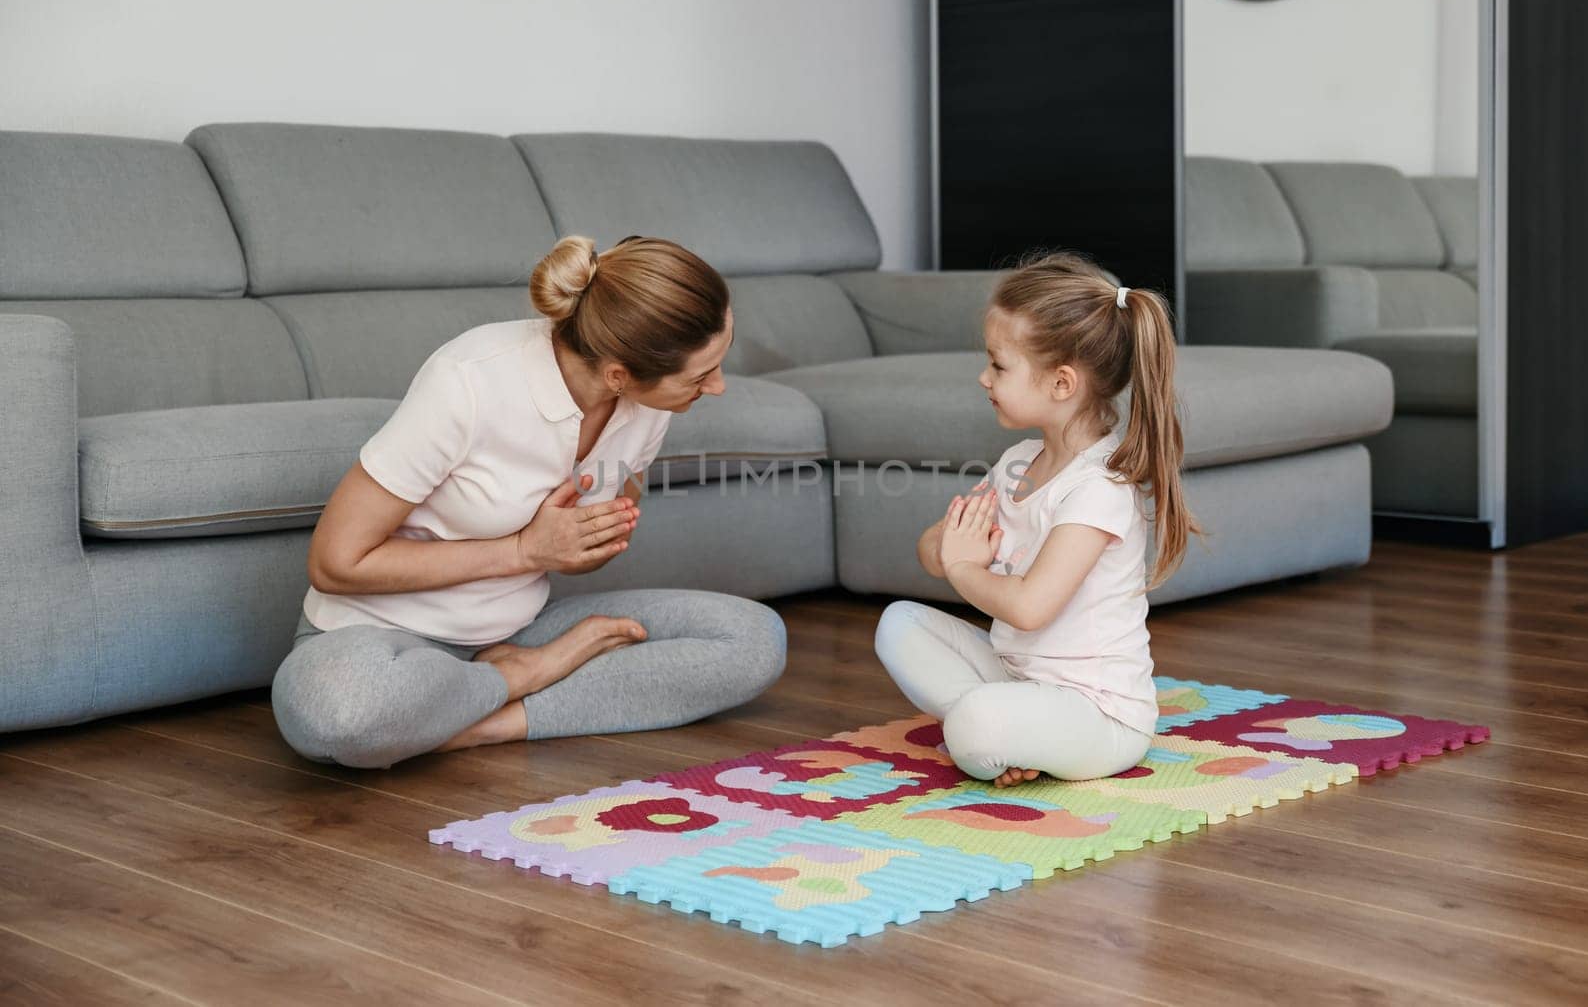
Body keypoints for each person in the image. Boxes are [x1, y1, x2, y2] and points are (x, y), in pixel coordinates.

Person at [271, 235, 785, 769]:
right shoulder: (469, 382)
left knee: (752, 640)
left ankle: (482, 725)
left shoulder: (648, 403)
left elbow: (599, 516)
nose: (719, 387)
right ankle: (523, 679)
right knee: (339, 713)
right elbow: (335, 562)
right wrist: (524, 553)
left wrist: (589, 542)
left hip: (519, 629)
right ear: (618, 373)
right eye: (702, 375)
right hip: (380, 642)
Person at [874, 252, 1199, 786]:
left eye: (998, 365)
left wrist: (963, 570)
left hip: (1098, 715)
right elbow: (935, 551)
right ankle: (1015, 734)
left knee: (976, 722)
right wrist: (951, 552)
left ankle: (999, 734)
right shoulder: (1018, 463)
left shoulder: (1099, 488)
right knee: (900, 623)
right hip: (1018, 676)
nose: (983, 377)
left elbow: (1028, 608)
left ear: (1061, 384)